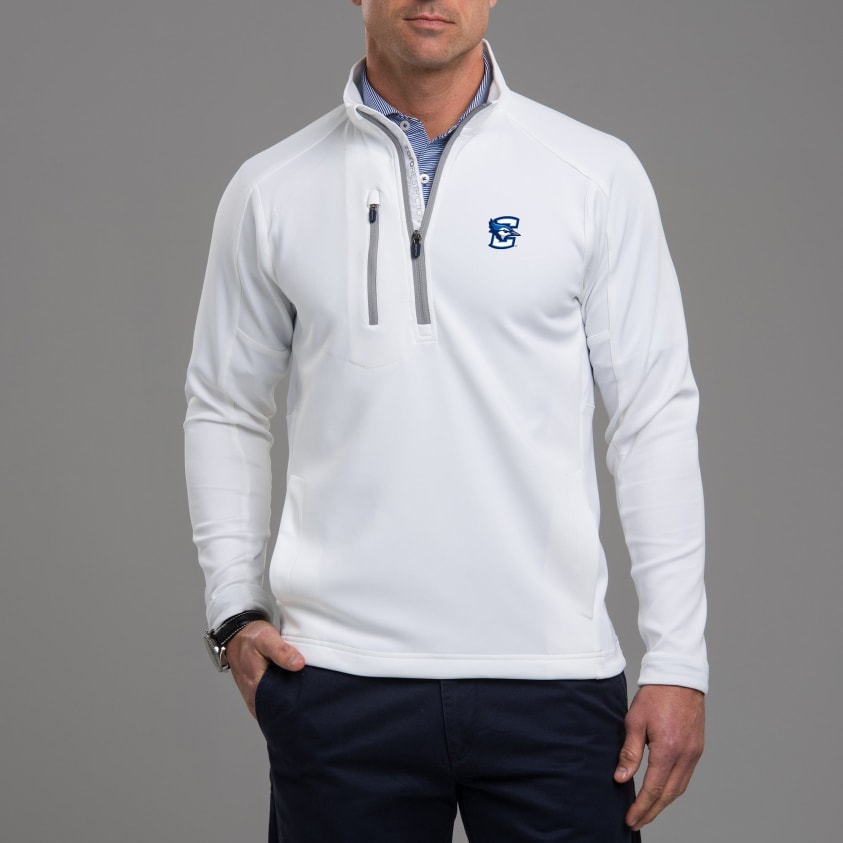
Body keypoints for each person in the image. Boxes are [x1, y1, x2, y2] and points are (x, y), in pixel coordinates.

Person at [184, 2, 707, 840]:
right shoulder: (270, 188)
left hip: (553, 675)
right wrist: (233, 611)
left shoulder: (592, 174)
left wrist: (677, 657)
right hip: (337, 679)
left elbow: (652, 414)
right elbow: (224, 405)